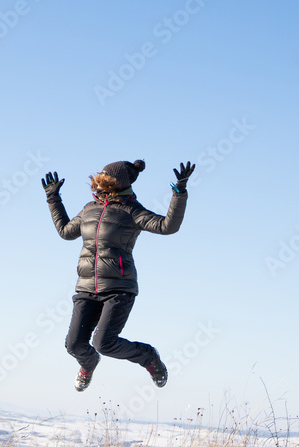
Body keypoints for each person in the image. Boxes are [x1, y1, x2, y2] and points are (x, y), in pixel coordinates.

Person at [42, 159, 195, 391]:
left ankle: (148, 357)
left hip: (118, 289)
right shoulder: (89, 209)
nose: (99, 184)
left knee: (104, 343)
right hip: (86, 288)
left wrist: (179, 194)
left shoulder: (132, 211)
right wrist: (53, 198)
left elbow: (167, 226)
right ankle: (89, 363)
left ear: (117, 183)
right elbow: (65, 232)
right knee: (74, 345)